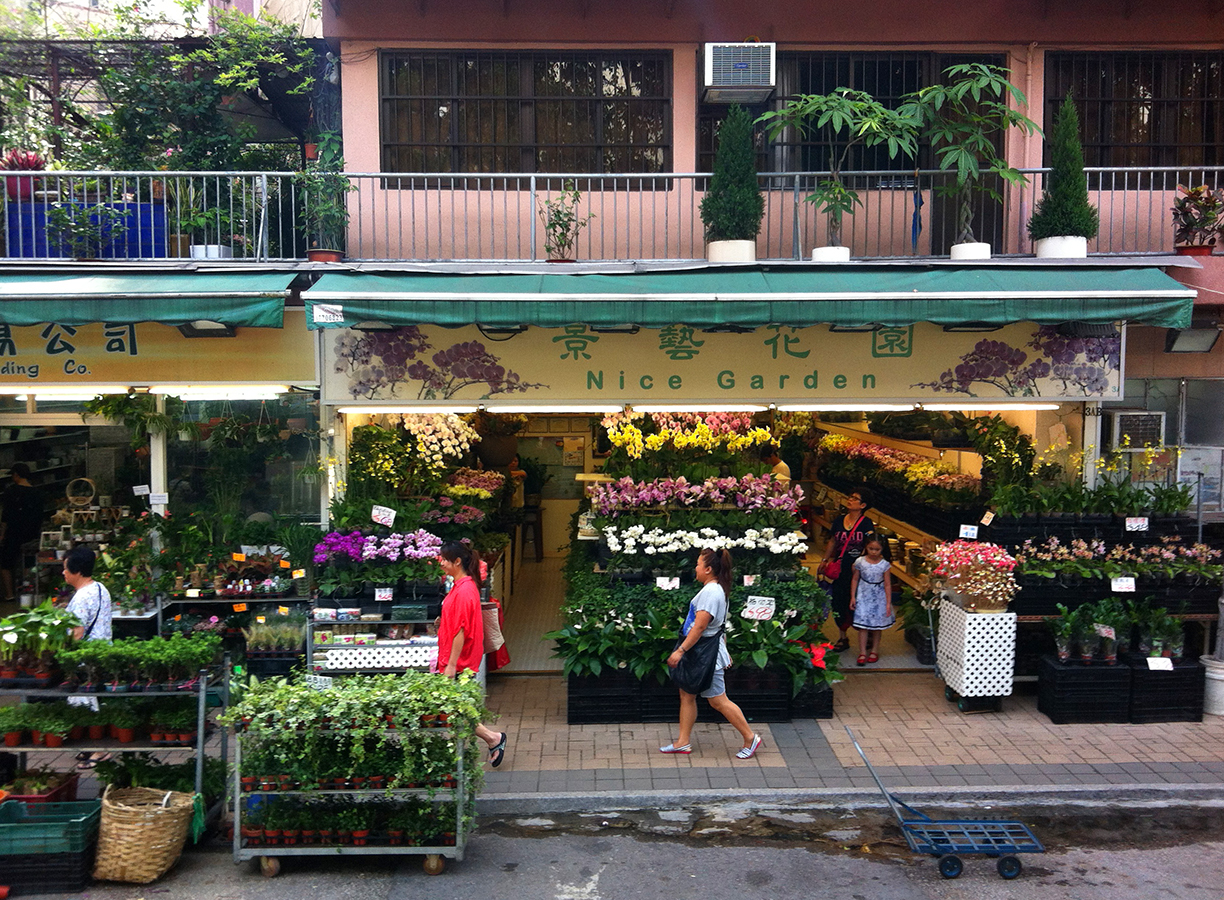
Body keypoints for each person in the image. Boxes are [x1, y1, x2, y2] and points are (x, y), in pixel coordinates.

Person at [660, 548, 762, 760]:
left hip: (704, 656)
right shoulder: (716, 590)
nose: (695, 568)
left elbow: (700, 628)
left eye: (698, 564)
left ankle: (750, 738)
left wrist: (680, 651)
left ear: (707, 569)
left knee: (718, 700)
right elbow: (719, 626)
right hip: (705, 653)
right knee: (687, 694)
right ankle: (682, 742)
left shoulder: (710, 593)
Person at [436, 540, 508, 767]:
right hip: (456, 659)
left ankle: (491, 738)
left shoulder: (465, 589)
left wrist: (450, 665)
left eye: (445, 559)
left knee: (454, 707)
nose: (441, 563)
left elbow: (461, 630)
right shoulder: (461, 586)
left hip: (459, 661)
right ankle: (485, 741)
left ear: (457, 561)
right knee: (455, 707)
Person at [62, 546, 112, 766]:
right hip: (102, 653)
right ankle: (89, 747)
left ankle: (98, 750)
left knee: (87, 702)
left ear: (77, 571)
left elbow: (78, 632)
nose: (63, 573)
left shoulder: (82, 597)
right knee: (88, 701)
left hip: (85, 657)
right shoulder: (100, 588)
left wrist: (66, 655)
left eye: (65, 568)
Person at [815, 489, 877, 653]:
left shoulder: (866, 523)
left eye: (855, 498)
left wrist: (863, 562)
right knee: (838, 601)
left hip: (859, 570)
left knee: (859, 601)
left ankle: (867, 633)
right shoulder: (839, 520)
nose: (850, 500)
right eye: (850, 496)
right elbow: (833, 541)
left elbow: (871, 546)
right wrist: (824, 560)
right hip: (840, 568)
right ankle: (843, 636)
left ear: (863, 505)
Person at [0, 463, 42, 602]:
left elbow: (5, 516)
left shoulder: (11, 491)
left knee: (6, 564)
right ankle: (28, 592)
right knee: (28, 563)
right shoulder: (36, 493)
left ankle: (9, 594)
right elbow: (39, 516)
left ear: (16, 475)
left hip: (13, 532)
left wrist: (2, 534)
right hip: (30, 533)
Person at [849, 538, 893, 666]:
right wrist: (853, 596)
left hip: (879, 597)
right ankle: (862, 652)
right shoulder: (860, 562)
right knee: (863, 626)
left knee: (877, 626)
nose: (873, 552)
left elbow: (888, 585)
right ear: (866, 548)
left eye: (877, 549)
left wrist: (888, 603)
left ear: (882, 550)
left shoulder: (884, 565)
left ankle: (874, 650)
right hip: (863, 595)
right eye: (871, 549)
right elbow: (855, 579)